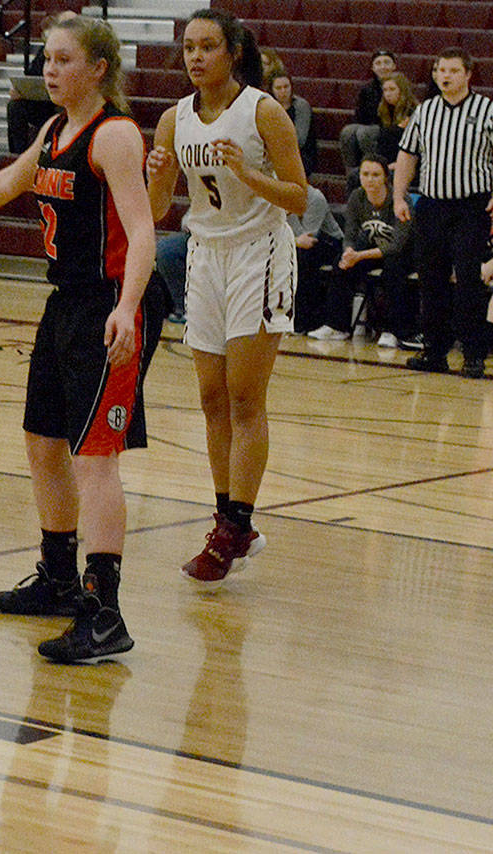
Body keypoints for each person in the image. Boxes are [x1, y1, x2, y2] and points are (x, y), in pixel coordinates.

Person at [0, 13, 158, 664]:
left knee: (95, 458)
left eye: (63, 60)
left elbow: (143, 230)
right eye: (46, 59)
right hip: (66, 302)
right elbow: (13, 180)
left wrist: (128, 308)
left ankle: (104, 613)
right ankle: (58, 578)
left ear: (98, 69)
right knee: (43, 441)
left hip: (110, 303)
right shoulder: (56, 130)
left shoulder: (113, 135)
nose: (49, 70)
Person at [145, 8, 307, 588]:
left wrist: (249, 175)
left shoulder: (262, 111)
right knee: (211, 398)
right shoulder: (173, 119)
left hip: (258, 253)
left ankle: (234, 525)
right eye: (189, 47)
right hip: (206, 254)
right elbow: (158, 209)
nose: (195, 57)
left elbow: (299, 197)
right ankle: (229, 519)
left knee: (244, 397)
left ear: (232, 53)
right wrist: (156, 172)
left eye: (207, 46)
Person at [394, 47, 493, 379]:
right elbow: (407, 154)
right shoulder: (425, 111)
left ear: (468, 74)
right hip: (432, 205)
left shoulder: (486, 110)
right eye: (440, 70)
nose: (445, 76)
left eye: (452, 70)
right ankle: (434, 351)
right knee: (431, 279)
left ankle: (473, 354)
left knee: (468, 279)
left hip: (471, 206)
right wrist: (398, 196)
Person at [306, 155, 418, 347]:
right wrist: (349, 253)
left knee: (393, 268)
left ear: (386, 177)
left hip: (405, 254)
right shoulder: (357, 197)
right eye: (365, 174)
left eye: (375, 175)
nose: (370, 179)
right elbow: (349, 233)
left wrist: (359, 256)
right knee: (341, 264)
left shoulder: (400, 200)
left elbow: (396, 246)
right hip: (371, 250)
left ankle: (393, 331)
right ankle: (337, 326)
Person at [286, 184, 343, 336]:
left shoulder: (315, 198)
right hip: (299, 243)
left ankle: (305, 321)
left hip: (330, 243)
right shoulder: (280, 196)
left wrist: (289, 211)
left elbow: (307, 238)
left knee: (302, 257)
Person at [339, 49, 396, 183]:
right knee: (348, 131)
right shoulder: (367, 89)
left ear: (394, 66)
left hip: (389, 129)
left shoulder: (400, 85)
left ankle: (374, 169)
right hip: (370, 127)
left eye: (387, 62)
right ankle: (352, 175)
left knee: (364, 133)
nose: (383, 66)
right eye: (378, 63)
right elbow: (360, 116)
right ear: (373, 68)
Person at [7, 43, 57, 155]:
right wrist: (20, 90)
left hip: (61, 103)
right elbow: (30, 76)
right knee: (15, 106)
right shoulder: (44, 51)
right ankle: (17, 153)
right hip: (41, 102)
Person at [268, 71, 316, 178]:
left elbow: (300, 140)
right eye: (278, 88)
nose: (283, 91)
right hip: (274, 152)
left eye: (286, 87)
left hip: (300, 155)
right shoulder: (269, 106)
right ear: (272, 90)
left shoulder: (301, 106)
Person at [374, 71, 417, 169]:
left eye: (392, 89)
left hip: (404, 162)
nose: (388, 94)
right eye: (385, 90)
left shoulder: (413, 111)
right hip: (387, 161)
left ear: (402, 90)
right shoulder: (384, 110)